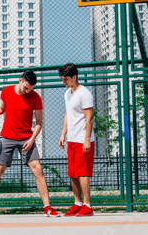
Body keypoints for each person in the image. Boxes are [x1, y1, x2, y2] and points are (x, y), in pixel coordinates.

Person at [0, 70, 60, 217]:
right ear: (20, 80)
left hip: (26, 138)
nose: (27, 91)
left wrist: (31, 140)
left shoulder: (35, 97)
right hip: (7, 136)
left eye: (30, 89)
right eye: (26, 88)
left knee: (38, 170)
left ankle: (47, 207)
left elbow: (39, 123)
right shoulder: (6, 91)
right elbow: (1, 109)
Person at [59, 63, 95, 216]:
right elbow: (68, 114)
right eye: (62, 79)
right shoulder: (68, 94)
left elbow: (89, 118)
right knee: (73, 173)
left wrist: (86, 140)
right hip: (72, 140)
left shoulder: (84, 93)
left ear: (74, 77)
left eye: (66, 79)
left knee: (82, 173)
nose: (64, 82)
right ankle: (77, 203)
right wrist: (63, 134)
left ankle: (87, 206)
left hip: (83, 140)